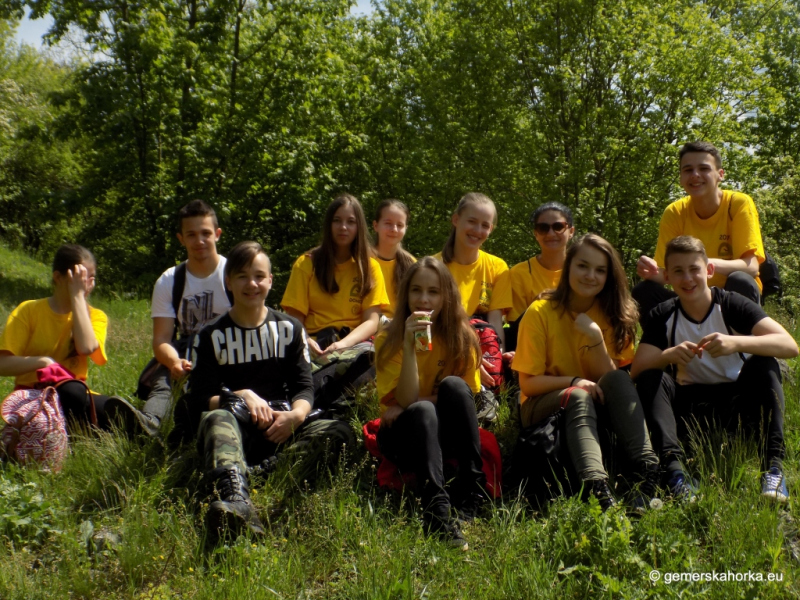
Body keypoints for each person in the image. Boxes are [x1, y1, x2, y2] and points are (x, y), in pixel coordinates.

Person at [182, 241, 354, 540]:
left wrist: (296, 418)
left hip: (282, 427)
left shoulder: (290, 329)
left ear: (271, 281)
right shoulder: (210, 335)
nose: (252, 284)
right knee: (214, 419)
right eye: (243, 276)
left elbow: (304, 386)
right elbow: (199, 398)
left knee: (340, 432)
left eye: (260, 276)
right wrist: (241, 395)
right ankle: (237, 500)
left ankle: (253, 473)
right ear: (228, 281)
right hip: (236, 427)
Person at [632, 236, 798, 503]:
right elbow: (637, 372)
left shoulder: (732, 304)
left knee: (764, 364)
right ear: (667, 278)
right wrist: (669, 355)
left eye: (694, 269)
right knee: (653, 377)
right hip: (691, 408)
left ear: (708, 271)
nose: (687, 279)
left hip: (738, 403)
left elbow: (789, 345)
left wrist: (736, 343)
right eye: (678, 271)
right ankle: (675, 474)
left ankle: (773, 469)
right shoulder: (663, 314)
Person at [512, 234, 659, 511]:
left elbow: (612, 382)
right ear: (568, 267)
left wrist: (595, 338)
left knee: (618, 377)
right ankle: (598, 489)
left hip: (596, 403)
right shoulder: (540, 312)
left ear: (609, 276)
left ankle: (647, 471)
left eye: (600, 270)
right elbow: (528, 385)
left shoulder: (616, 313)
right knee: (577, 395)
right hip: (540, 404)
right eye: (583, 266)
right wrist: (575, 381)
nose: (590, 275)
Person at [376, 256, 485, 550]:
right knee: (422, 410)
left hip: (447, 434)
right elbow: (407, 403)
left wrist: (414, 401)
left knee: (452, 385)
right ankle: (437, 511)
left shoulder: (462, 336)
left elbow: (464, 397)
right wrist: (410, 348)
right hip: (403, 436)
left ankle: (471, 488)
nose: (424, 299)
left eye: (433, 291)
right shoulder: (388, 337)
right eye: (416, 290)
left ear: (446, 295)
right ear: (406, 294)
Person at [105, 200, 231, 437]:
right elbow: (162, 340)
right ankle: (148, 424)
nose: (199, 241)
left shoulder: (235, 273)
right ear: (180, 238)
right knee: (164, 376)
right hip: (186, 349)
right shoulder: (169, 281)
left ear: (218, 234)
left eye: (205, 233)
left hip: (230, 347)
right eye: (191, 234)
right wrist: (174, 362)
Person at [634, 141, 765, 325]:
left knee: (741, 280)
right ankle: (665, 349)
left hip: (728, 298)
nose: (695, 175)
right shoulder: (675, 212)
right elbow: (666, 273)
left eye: (704, 168)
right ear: (680, 178)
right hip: (690, 296)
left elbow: (751, 267)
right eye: (688, 170)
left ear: (720, 175)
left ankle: (746, 349)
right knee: (645, 290)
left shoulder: (737, 204)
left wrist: (703, 264)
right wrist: (649, 271)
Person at [281, 194, 389, 414]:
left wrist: (344, 344)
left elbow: (372, 320)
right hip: (313, 345)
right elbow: (293, 320)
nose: (343, 227)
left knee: (371, 358)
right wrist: (306, 341)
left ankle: (315, 402)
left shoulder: (370, 267)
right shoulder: (307, 263)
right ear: (328, 224)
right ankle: (323, 401)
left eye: (351, 221)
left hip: (353, 345)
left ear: (359, 226)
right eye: (337, 220)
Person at [0, 244, 114, 429]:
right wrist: (43, 362)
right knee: (73, 392)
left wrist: (77, 297)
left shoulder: (96, 316)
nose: (85, 285)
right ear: (58, 277)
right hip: (33, 397)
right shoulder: (29, 310)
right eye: (78, 278)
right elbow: (2, 364)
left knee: (111, 409)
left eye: (90, 279)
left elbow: (85, 347)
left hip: (75, 395)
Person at [435, 192, 513, 386]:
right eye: (472, 221)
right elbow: (432, 323)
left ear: (491, 229)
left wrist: (497, 358)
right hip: (442, 343)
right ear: (456, 220)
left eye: (485, 225)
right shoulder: (433, 266)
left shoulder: (497, 267)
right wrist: (468, 359)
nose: (478, 230)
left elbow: (495, 321)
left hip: (481, 343)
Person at [506, 202, 575, 352]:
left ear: (571, 231)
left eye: (558, 227)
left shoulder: (583, 270)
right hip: (535, 347)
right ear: (536, 233)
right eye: (543, 228)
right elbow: (517, 327)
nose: (551, 233)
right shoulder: (519, 273)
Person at [372, 199, 416, 318]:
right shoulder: (363, 260)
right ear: (376, 225)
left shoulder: (412, 264)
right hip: (366, 327)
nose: (394, 229)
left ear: (406, 228)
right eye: (388, 223)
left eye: (400, 225)